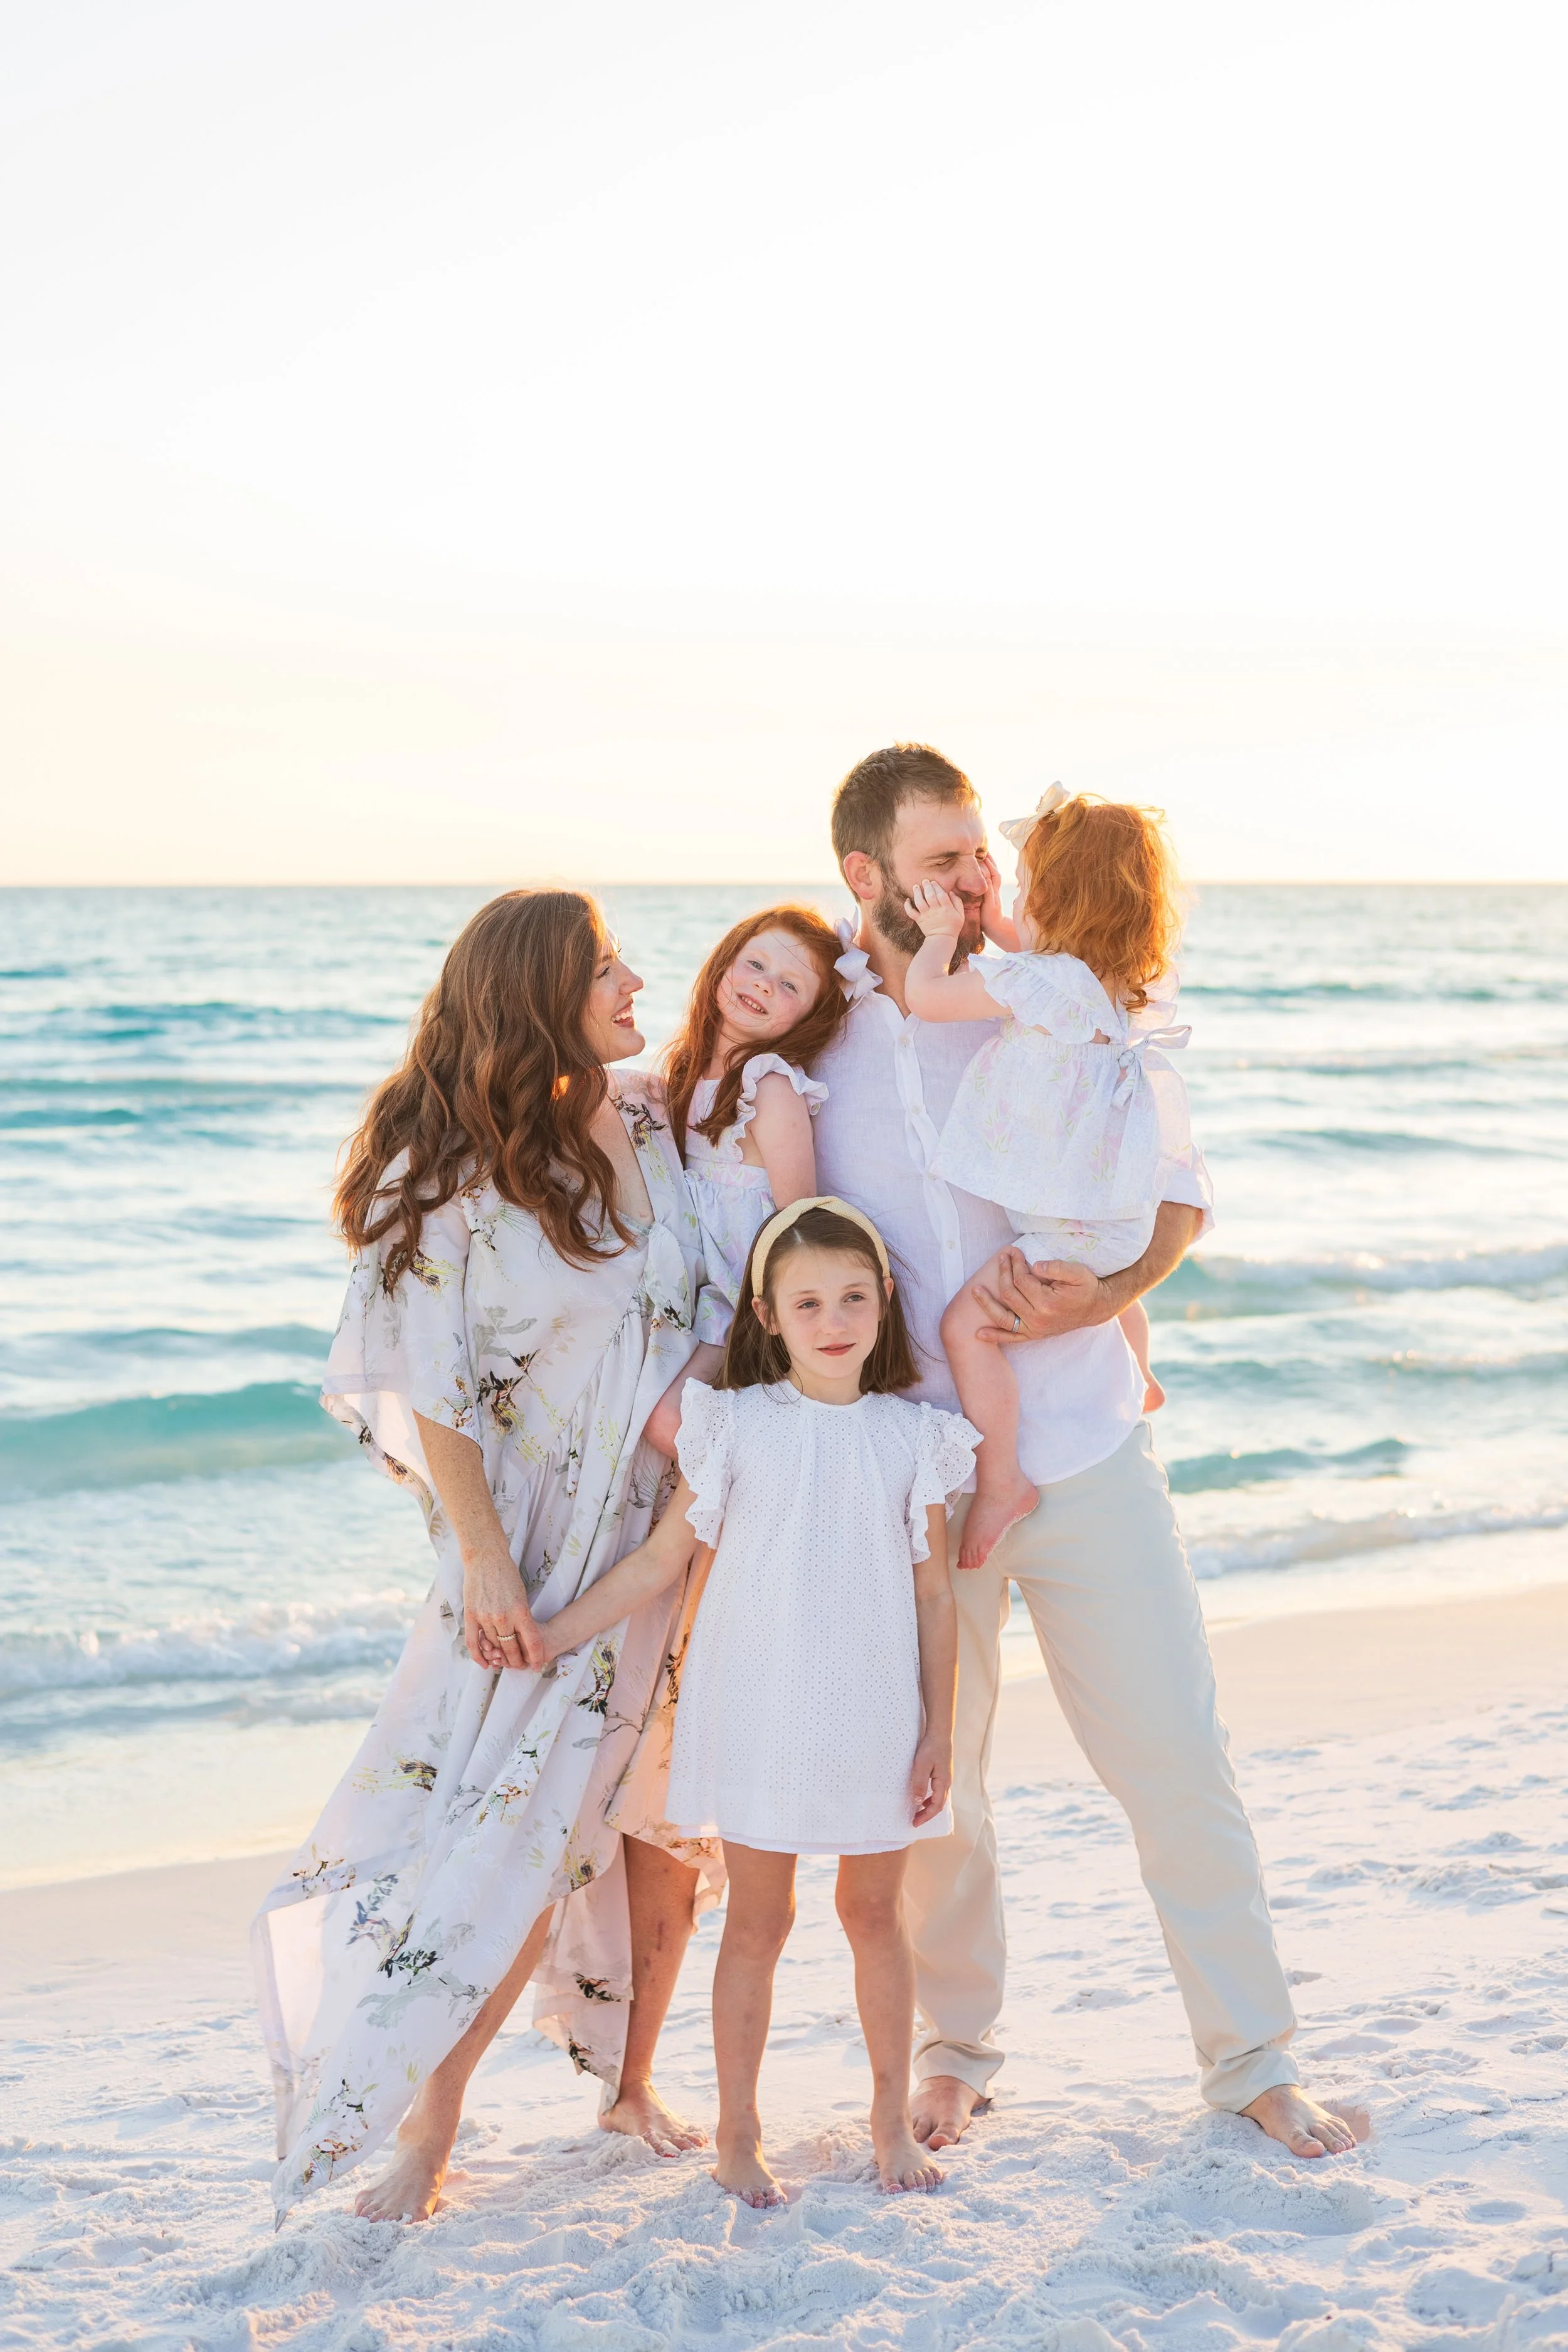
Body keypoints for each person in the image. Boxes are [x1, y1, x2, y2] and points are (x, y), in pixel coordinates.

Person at [810, 743, 1367, 2163]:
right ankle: (956, 2046)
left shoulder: (1055, 976)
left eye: (983, 850)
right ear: (867, 874)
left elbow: (1180, 1190)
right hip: (912, 1469)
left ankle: (1254, 2056)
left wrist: (1117, 1291)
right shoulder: (815, 1020)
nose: (977, 875)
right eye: (945, 860)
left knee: (1177, 1751)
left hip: (1083, 1436)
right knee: (940, 1787)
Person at [253, 889, 724, 2226]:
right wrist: (489, 1570)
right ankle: (428, 2137)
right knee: (507, 1837)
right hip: (534, 1553)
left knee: (660, 1827)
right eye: (605, 966)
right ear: (537, 989)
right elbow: (434, 1390)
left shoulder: (636, 1116)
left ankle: (627, 2089)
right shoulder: (446, 1168)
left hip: (668, 1532)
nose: (637, 982)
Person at [523, 1200, 975, 2203]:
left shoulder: (917, 1437)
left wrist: (940, 1727)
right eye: (808, 1301)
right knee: (758, 1924)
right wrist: (552, 1633)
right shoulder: (734, 1426)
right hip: (761, 1708)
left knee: (873, 1916)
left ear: (884, 1300)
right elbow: (660, 1560)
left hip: (874, 1712)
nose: (833, 1318)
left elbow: (936, 1594)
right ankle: (739, 2134)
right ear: (768, 1314)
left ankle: (890, 2124)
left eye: (853, 1296)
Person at [903, 786, 1194, 1569]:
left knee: (966, 1327)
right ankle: (1140, 1371)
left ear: (1058, 900)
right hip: (1117, 1222)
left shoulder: (1037, 984)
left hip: (1069, 1230)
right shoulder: (1114, 980)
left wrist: (938, 935)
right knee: (1103, 1282)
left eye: (1029, 889)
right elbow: (1027, 948)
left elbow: (927, 997)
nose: (1014, 901)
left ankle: (1002, 1482)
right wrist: (997, 915)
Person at [662, 904, 847, 1344]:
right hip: (686, 1286)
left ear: (807, 1018)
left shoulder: (768, 1087)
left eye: (789, 985)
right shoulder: (686, 1070)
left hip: (742, 1303)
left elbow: (796, 1220)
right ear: (725, 960)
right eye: (756, 964)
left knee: (670, 1413)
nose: (764, 983)